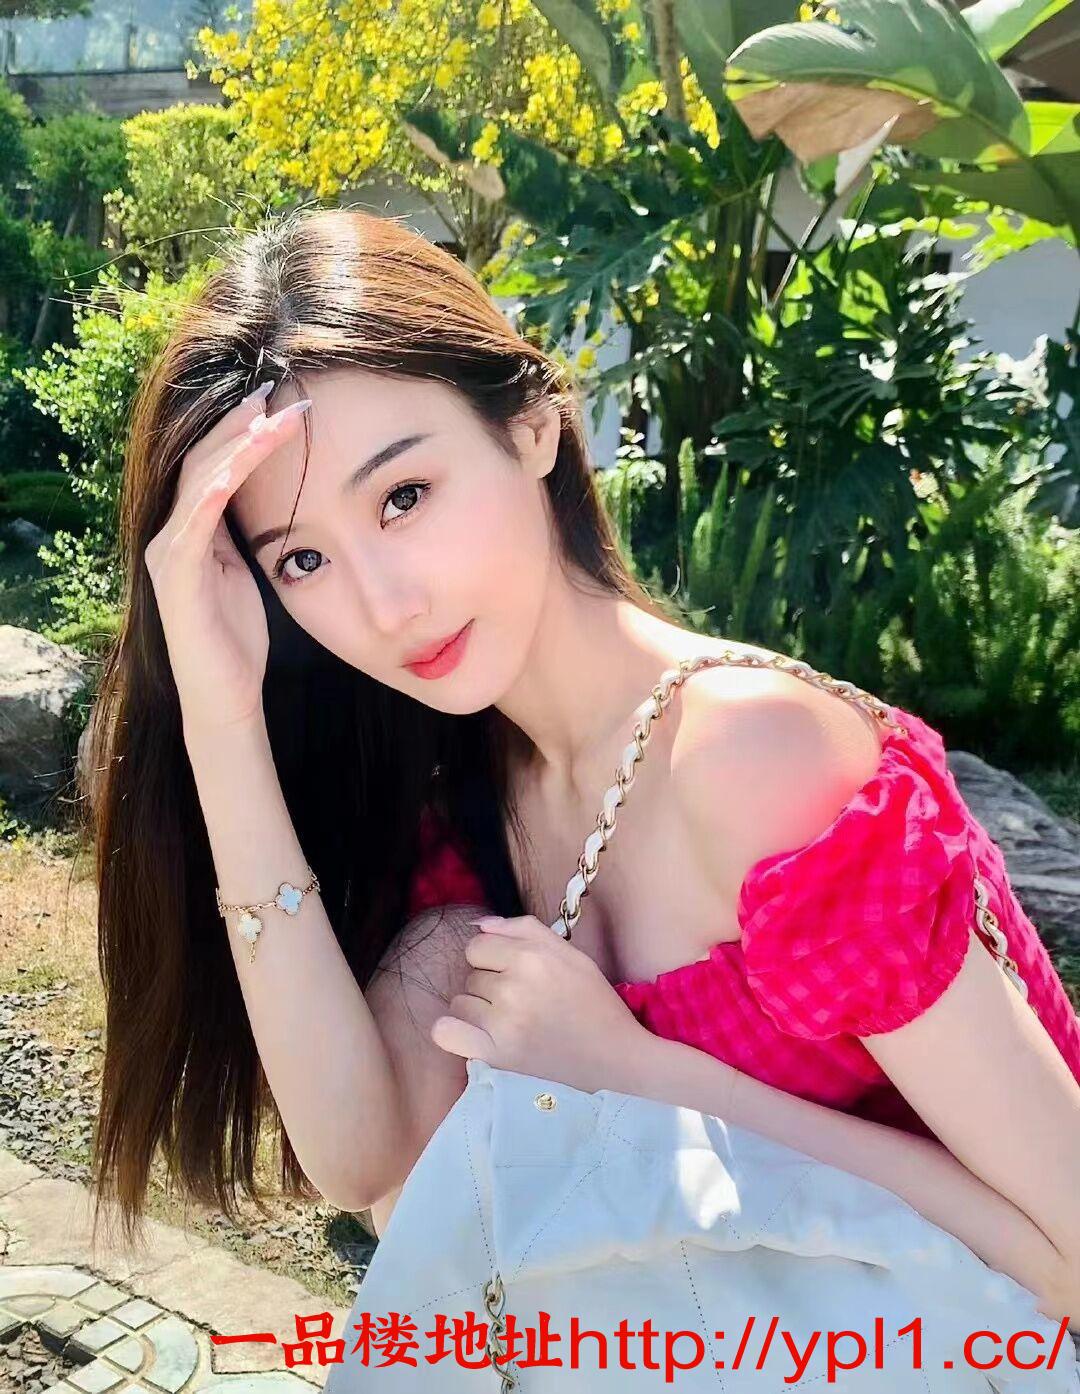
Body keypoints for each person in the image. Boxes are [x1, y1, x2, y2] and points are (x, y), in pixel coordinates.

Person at [83, 205, 1080, 1334]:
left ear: (533, 424)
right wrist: (220, 716)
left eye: (404, 497)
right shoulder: (462, 819)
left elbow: (1069, 1249)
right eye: (303, 559)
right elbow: (354, 1156)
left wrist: (634, 1071)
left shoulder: (752, 757)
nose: (384, 605)